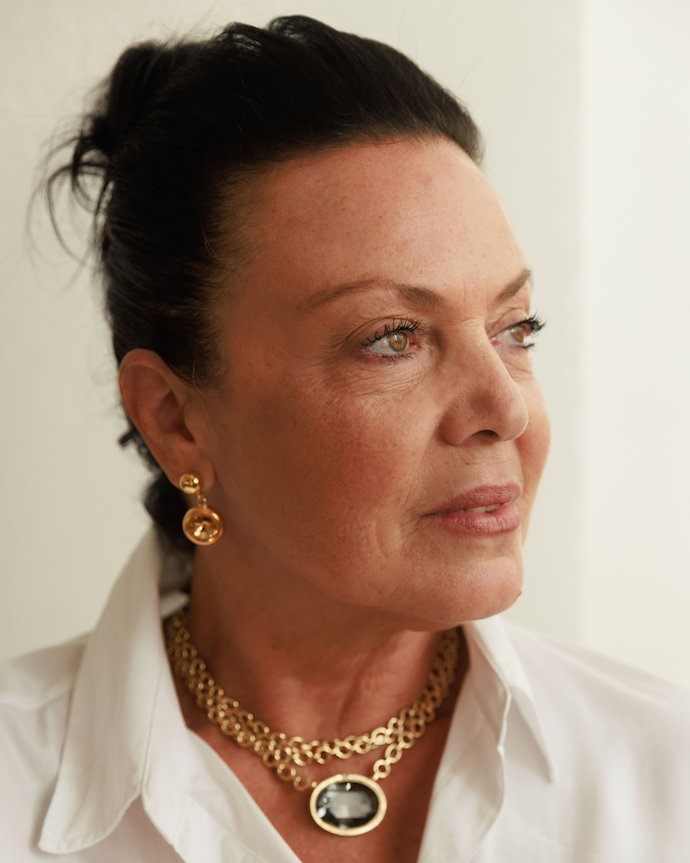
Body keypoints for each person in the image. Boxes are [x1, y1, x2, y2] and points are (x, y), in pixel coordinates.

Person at [1, 14, 689, 863]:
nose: (504, 410)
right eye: (392, 336)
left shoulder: (662, 780)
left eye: (517, 327)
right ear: (176, 419)